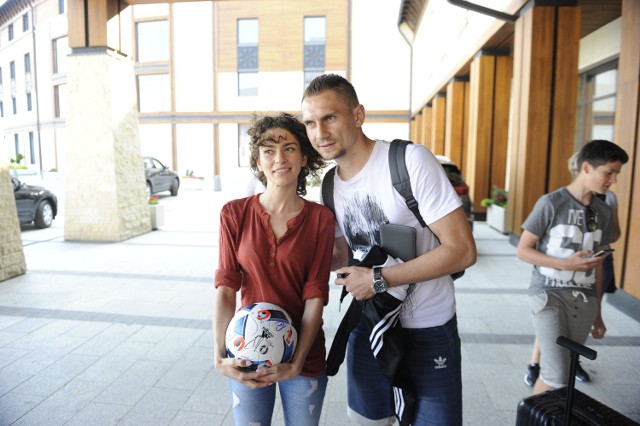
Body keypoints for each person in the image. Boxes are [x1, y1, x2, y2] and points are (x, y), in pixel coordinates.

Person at [301, 73, 477, 425]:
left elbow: (462, 251)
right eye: (310, 122)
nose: (319, 132)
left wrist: (379, 279)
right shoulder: (331, 184)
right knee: (367, 420)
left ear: (358, 115)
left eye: (330, 117)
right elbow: (339, 256)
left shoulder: (409, 161)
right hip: (369, 326)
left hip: (427, 329)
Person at [213, 112, 335, 425]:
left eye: (289, 148)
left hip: (304, 358)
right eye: (268, 150)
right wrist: (220, 356)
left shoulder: (321, 219)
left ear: (304, 157)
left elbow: (315, 295)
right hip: (248, 351)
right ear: (258, 161)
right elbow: (227, 288)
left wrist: (295, 363)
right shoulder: (234, 214)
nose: (279, 157)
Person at [516, 139, 628, 395]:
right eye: (609, 172)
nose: (613, 180)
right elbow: (523, 250)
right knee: (556, 376)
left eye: (616, 173)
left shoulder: (604, 210)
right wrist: (565, 263)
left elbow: (599, 265)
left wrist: (599, 313)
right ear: (587, 167)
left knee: (563, 371)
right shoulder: (551, 203)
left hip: (584, 300)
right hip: (548, 294)